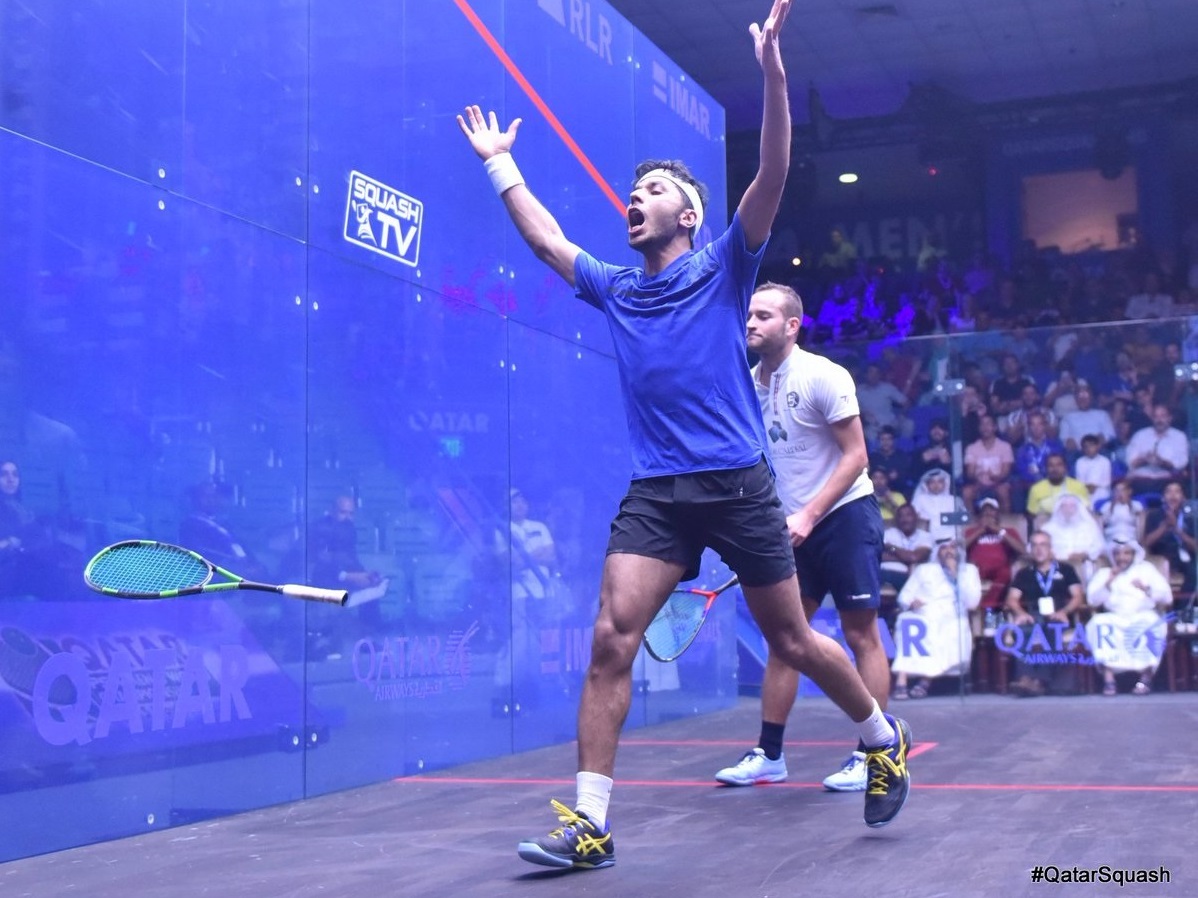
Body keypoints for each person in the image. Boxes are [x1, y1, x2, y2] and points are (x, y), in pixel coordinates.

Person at [458, 1, 910, 870]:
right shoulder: (617, 288)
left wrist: (773, 70)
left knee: (792, 641)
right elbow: (549, 240)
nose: (637, 197)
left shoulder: (725, 267)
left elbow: (773, 167)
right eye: (634, 191)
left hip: (739, 485)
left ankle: (881, 738)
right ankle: (590, 824)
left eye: (655, 190)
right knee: (609, 638)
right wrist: (502, 164)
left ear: (691, 217)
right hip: (658, 492)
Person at [713, 282, 890, 795]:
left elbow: (857, 456)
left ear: (792, 325)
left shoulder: (823, 376)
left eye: (763, 316)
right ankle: (769, 754)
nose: (750, 323)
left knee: (861, 635)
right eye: (748, 314)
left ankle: (871, 755)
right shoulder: (748, 386)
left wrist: (810, 515)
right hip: (792, 526)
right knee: (786, 641)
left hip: (846, 516)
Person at [890, 537, 982, 699]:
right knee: (906, 622)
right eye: (944, 548)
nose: (948, 551)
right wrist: (911, 603)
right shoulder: (924, 570)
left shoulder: (969, 570)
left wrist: (955, 575)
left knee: (941, 629)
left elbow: (972, 602)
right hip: (921, 613)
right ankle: (902, 679)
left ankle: (925, 681)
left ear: (958, 552)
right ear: (938, 552)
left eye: (952, 548)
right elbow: (904, 596)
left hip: (951, 615)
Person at [1085, 538, 1173, 695]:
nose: (1121, 558)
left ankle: (1145, 678)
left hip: (1142, 615)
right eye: (1117, 554)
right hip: (1114, 617)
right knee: (1098, 623)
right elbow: (1092, 601)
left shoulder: (1147, 570)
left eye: (1126, 553)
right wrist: (1108, 583)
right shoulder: (1105, 573)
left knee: (1151, 623)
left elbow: (1167, 597)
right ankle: (1109, 679)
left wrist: (1146, 588)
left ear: (1134, 554)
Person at [1004, 531, 1085, 697]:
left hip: (1059, 613)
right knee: (1023, 629)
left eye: (1043, 545)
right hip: (1033, 614)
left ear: (1050, 549)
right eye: (1034, 545)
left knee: (1052, 629)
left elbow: (1078, 596)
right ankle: (1025, 678)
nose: (1039, 549)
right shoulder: (1024, 573)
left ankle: (1040, 681)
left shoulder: (1066, 569)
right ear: (1030, 549)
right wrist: (1020, 613)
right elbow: (1012, 599)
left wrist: (1065, 611)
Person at [963, 497, 1023, 614]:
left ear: (998, 515)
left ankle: (986, 606)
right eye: (985, 512)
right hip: (977, 569)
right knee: (969, 572)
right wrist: (981, 530)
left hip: (1000, 570)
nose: (988, 515)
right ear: (979, 516)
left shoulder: (1008, 531)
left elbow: (1022, 550)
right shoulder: (971, 531)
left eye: (992, 512)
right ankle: (990, 608)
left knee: (1005, 572)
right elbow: (960, 549)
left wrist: (999, 531)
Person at [1142, 479, 1197, 598]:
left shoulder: (1191, 517)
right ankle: (1179, 609)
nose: (1173, 496)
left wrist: (1177, 529)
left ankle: (1184, 609)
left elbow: (1195, 546)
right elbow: (1146, 542)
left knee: (1194, 570)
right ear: (1163, 497)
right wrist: (1165, 526)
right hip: (1164, 557)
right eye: (1169, 492)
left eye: (1177, 492)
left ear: (1183, 497)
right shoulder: (1154, 515)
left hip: (1188, 558)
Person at [1125, 405, 1189, 496]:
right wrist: (1145, 459)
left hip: (1166, 481)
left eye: (1163, 416)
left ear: (1169, 418)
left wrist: (1162, 462)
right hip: (1140, 481)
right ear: (1152, 418)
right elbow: (1130, 462)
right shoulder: (1140, 435)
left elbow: (1181, 463)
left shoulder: (1179, 436)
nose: (1159, 420)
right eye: (1156, 416)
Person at [1026, 452, 1091, 527]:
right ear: (1046, 468)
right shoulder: (1036, 489)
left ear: (1065, 468)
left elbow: (1086, 511)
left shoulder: (1078, 486)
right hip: (1046, 528)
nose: (1055, 469)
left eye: (1059, 465)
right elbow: (1032, 515)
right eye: (1051, 465)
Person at [911, 468, 965, 543]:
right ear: (926, 484)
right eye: (932, 482)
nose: (936, 485)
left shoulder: (953, 500)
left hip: (951, 541)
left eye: (940, 482)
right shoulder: (920, 499)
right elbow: (913, 518)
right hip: (926, 541)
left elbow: (962, 520)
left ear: (945, 483)